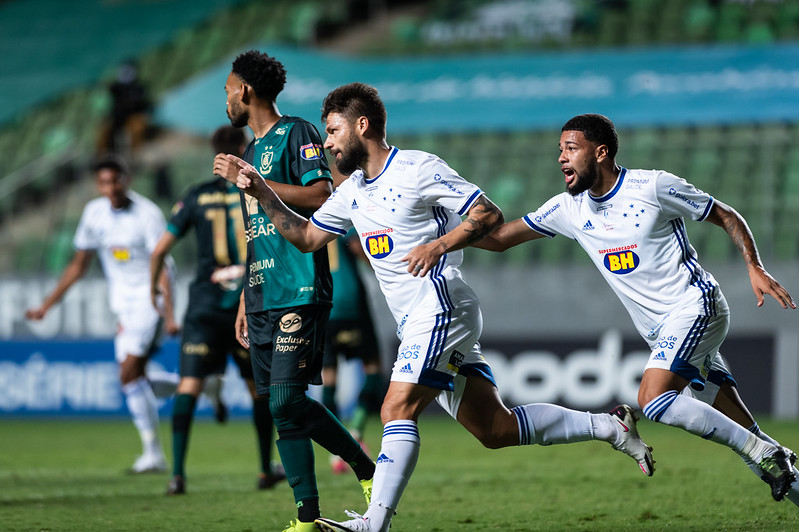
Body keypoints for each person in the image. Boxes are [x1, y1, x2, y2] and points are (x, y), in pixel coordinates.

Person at [219, 82, 655, 532]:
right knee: (494, 429)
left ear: (361, 126)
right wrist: (261, 190)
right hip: (417, 320)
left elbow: (488, 214)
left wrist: (439, 245)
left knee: (396, 407)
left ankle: (375, 523)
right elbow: (307, 238)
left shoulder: (416, 168)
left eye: (332, 131)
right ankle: (610, 427)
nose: (327, 142)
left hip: (442, 302)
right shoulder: (352, 192)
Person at [476, 113, 798, 504]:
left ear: (601, 152)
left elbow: (725, 214)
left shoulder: (653, 186)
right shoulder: (567, 208)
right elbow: (498, 240)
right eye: (559, 150)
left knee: (654, 401)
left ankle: (765, 452)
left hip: (696, 306)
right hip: (663, 332)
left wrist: (753, 264)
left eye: (571, 149)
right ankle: (772, 457)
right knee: (743, 432)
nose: (561, 158)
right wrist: (436, 235)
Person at [210, 51, 375, 532]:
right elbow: (255, 230)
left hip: (300, 285)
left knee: (285, 399)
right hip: (262, 291)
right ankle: (307, 518)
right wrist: (245, 293)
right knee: (278, 407)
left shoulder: (296, 132)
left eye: (227, 91)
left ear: (245, 90)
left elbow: (323, 194)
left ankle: (365, 468)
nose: (226, 101)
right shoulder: (248, 150)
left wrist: (258, 183)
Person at [150, 125, 286, 495]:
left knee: (188, 387)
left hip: (205, 306)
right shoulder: (256, 194)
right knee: (259, 390)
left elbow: (160, 250)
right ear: (244, 149)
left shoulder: (195, 196)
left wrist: (154, 291)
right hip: (249, 301)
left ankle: (177, 475)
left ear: (214, 155)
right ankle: (263, 469)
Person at [26, 154, 179, 473]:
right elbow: (78, 265)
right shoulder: (94, 213)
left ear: (127, 179)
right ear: (98, 185)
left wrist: (170, 314)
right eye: (104, 182)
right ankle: (196, 386)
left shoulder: (147, 214)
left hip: (151, 299)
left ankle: (153, 455)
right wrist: (46, 305)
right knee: (133, 380)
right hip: (122, 304)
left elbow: (162, 264)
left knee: (128, 374)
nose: (111, 188)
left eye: (116, 180)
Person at [323, 230, 386, 474]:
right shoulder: (342, 220)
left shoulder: (304, 221)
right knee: (373, 368)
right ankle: (356, 431)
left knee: (329, 377)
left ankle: (335, 449)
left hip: (324, 304)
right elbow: (361, 249)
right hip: (352, 303)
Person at [97, 60, 152, 157]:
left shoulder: (139, 87)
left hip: (133, 116)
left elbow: (144, 104)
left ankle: (136, 154)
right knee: (105, 129)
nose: (125, 74)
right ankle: (104, 155)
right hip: (117, 116)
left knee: (137, 127)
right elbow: (107, 89)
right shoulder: (116, 87)